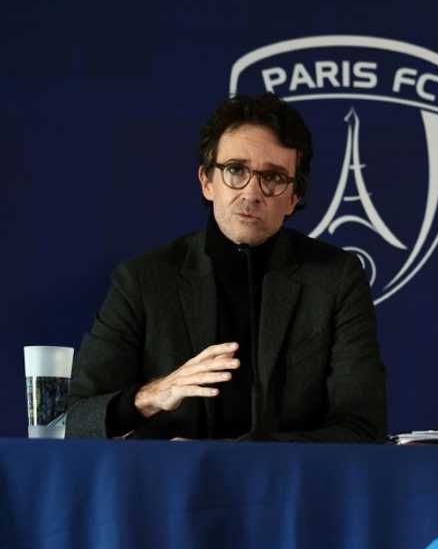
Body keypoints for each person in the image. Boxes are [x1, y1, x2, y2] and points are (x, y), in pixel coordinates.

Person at [67, 93, 387, 441]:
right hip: (171, 490)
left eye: (274, 178)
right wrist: (153, 395)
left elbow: (362, 428)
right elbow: (72, 420)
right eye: (236, 170)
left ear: (294, 198)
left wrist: (237, 458)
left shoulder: (336, 277)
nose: (251, 193)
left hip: (289, 490)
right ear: (207, 181)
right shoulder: (143, 279)